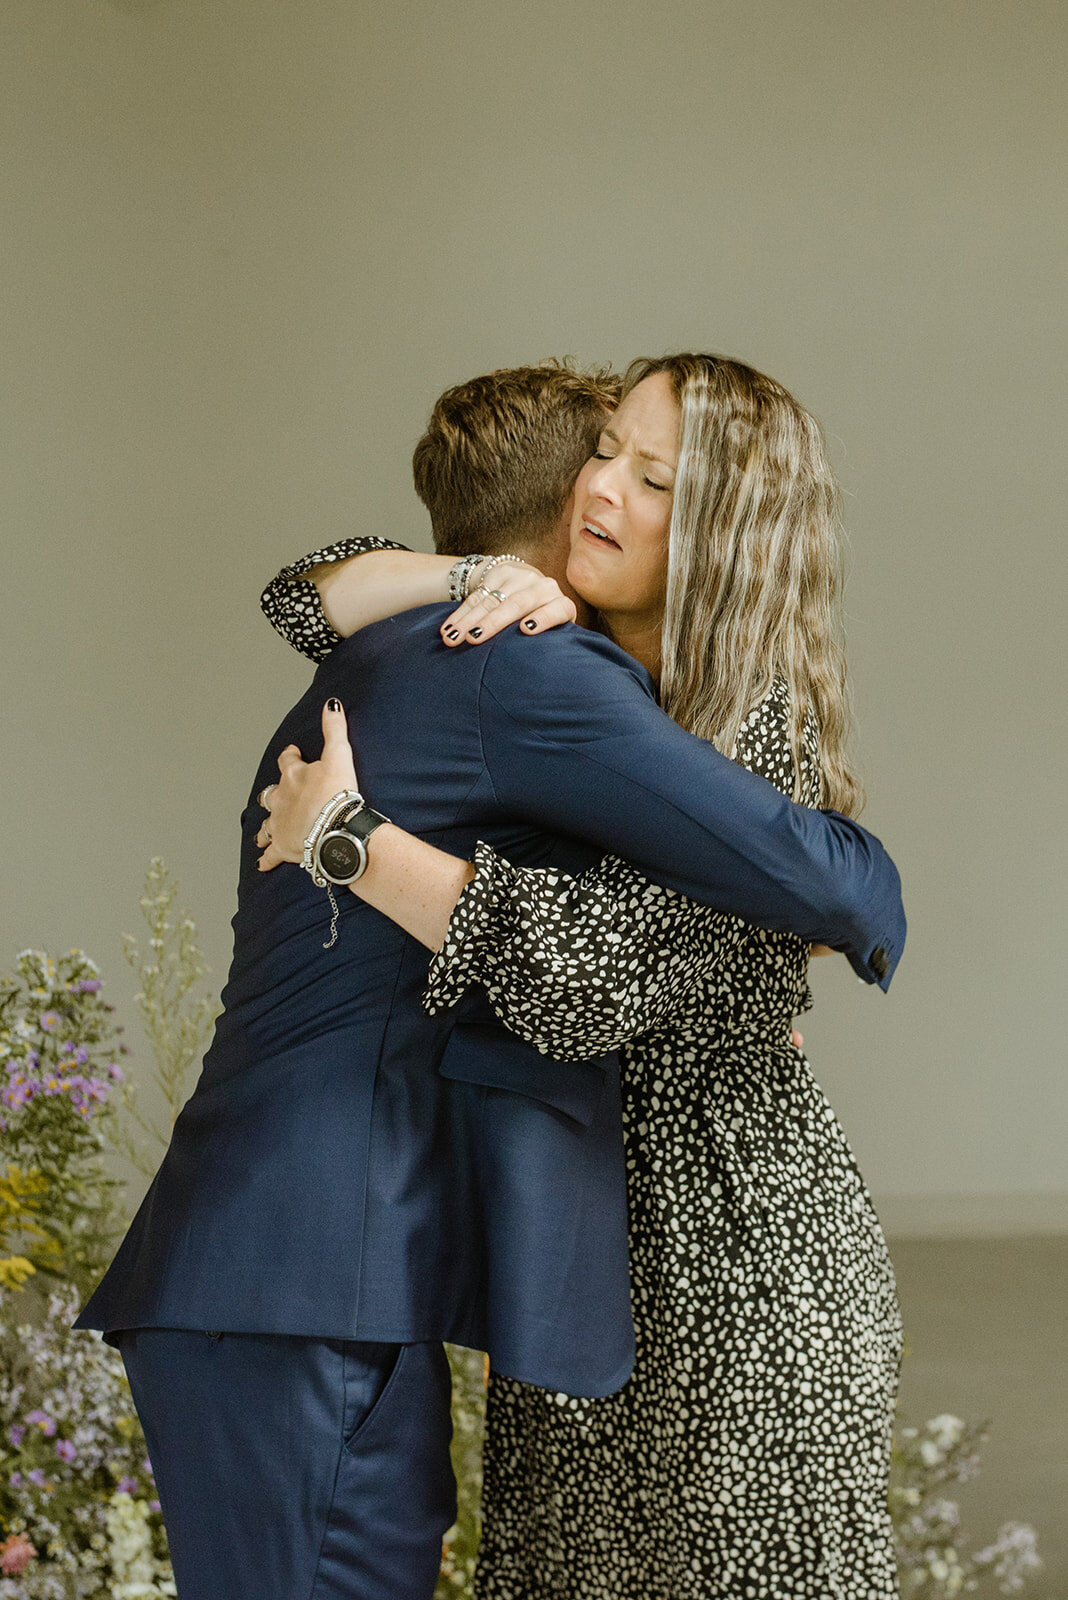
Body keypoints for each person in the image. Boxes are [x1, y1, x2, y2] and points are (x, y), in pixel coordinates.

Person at [76, 362, 904, 1600]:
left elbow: (794, 910)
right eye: (606, 452)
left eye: (654, 476)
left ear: (728, 531)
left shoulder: (658, 708)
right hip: (538, 1268)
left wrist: (354, 841)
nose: (604, 491)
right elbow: (305, 593)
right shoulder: (525, 658)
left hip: (718, 1271)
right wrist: (470, 577)